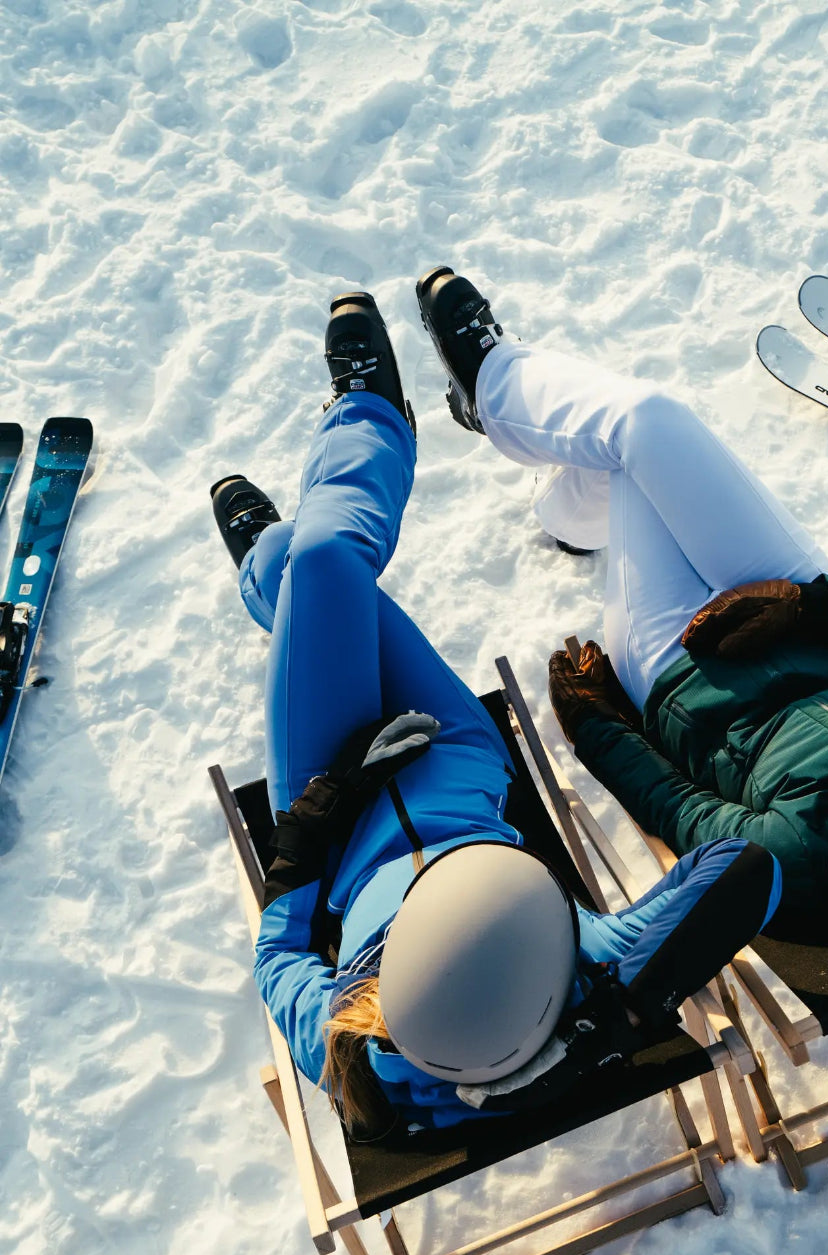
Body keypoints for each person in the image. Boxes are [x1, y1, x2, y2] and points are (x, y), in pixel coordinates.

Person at [213, 291, 783, 1140]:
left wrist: (303, 846)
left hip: (335, 795)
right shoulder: (593, 975)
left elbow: (277, 963)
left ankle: (339, 463)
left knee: (326, 559)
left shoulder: (361, 1053)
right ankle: (285, 558)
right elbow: (744, 868)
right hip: (452, 757)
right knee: (330, 569)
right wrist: (619, 1010)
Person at [415, 267, 828, 938]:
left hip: (678, 670)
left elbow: (673, 803)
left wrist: (596, 724)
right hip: (798, 615)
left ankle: (499, 394)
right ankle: (532, 451)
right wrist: (808, 608)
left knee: (629, 447)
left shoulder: (791, 859)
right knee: (650, 424)